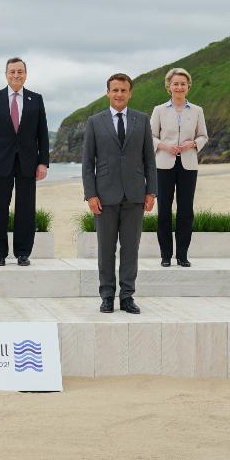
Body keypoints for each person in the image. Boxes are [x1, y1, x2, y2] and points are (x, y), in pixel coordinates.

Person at [81, 73, 157, 314]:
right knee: (105, 249)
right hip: (104, 195)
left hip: (135, 194)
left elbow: (149, 160)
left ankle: (127, 296)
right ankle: (106, 296)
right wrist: (90, 194)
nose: (119, 94)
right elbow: (87, 163)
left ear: (130, 93)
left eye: (123, 90)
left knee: (131, 249)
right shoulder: (95, 122)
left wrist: (151, 191)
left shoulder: (142, 120)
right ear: (108, 93)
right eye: (115, 90)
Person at [0, 57, 50, 267]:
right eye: (12, 72)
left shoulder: (36, 99)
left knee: (26, 209)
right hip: (0, 162)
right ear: (6, 74)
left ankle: (23, 253)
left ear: (26, 74)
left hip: (29, 162)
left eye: (20, 71)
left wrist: (43, 162)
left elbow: (42, 133)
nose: (16, 75)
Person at [150, 68, 209, 267]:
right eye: (175, 83)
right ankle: (166, 256)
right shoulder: (159, 110)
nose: (179, 87)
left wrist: (192, 144)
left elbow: (203, 136)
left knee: (186, 210)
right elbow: (150, 136)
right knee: (164, 210)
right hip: (163, 164)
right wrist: (164, 146)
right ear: (169, 86)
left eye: (183, 83)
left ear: (188, 86)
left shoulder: (197, 110)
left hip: (188, 164)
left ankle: (182, 255)